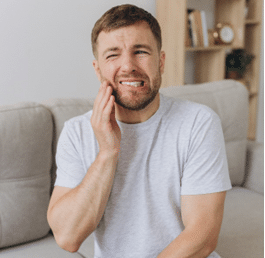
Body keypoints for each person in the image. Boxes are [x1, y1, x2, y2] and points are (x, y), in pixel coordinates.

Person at [47, 4, 232, 258]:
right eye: (112, 55)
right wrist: (107, 152)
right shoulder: (76, 132)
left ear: (161, 61)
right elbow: (68, 236)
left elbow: (203, 235)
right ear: (97, 69)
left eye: (141, 51)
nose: (128, 66)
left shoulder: (198, 123)